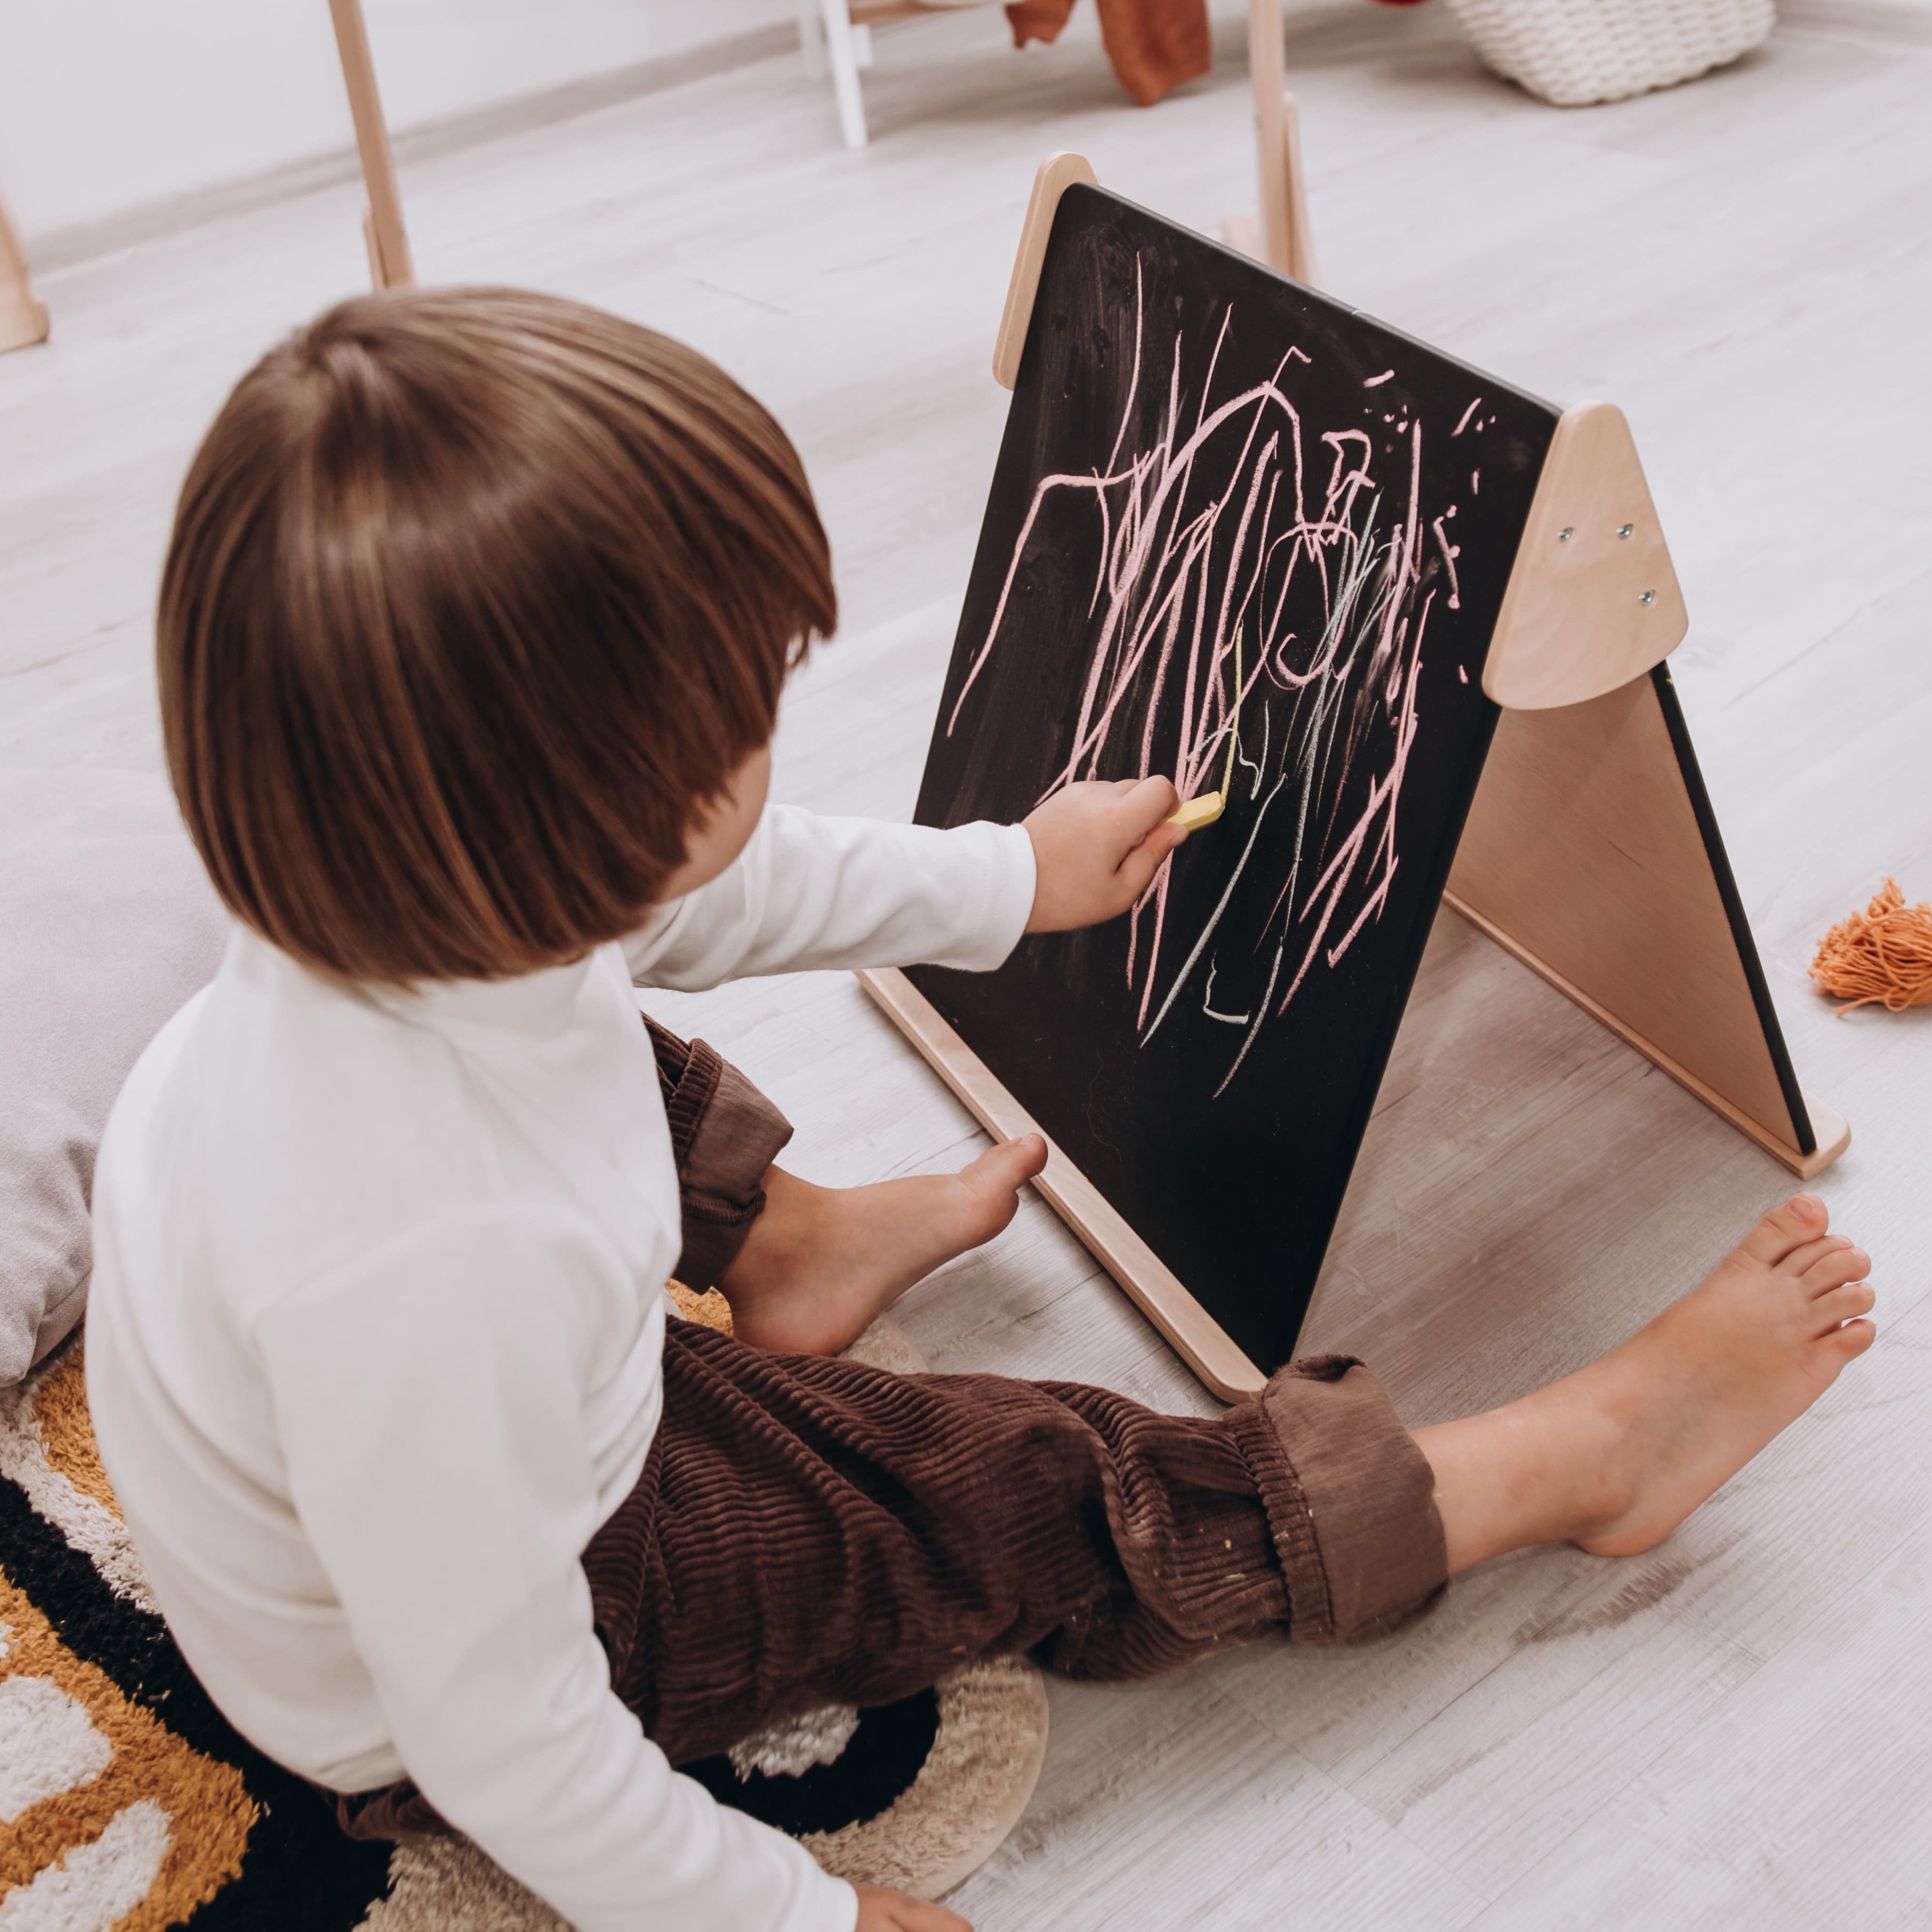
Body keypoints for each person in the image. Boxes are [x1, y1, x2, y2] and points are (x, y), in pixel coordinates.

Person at [86, 289, 1876, 1932]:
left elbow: (703, 898)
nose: (770, 737)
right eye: (740, 727)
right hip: (497, 1643)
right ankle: (1553, 1472)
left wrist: (1005, 879)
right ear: (571, 824)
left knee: (598, 1035)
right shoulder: (429, 1267)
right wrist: (806, 1919)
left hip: (441, 1442)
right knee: (1020, 1487)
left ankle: (788, 1252)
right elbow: (509, 1741)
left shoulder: (390, 926)